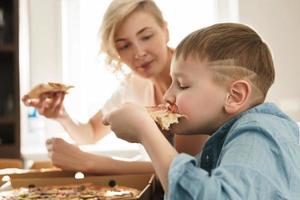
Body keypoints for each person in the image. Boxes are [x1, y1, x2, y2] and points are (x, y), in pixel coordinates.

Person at [103, 23, 300, 199]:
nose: (167, 97)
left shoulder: (258, 134)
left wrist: (145, 131)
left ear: (235, 96)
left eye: (182, 85)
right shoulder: (223, 142)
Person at [22, 0, 208, 174]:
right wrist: (61, 115)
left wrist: (88, 162)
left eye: (146, 36)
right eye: (124, 45)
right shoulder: (133, 84)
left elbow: (184, 172)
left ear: (165, 31)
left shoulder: (194, 80)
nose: (139, 53)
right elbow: (91, 133)